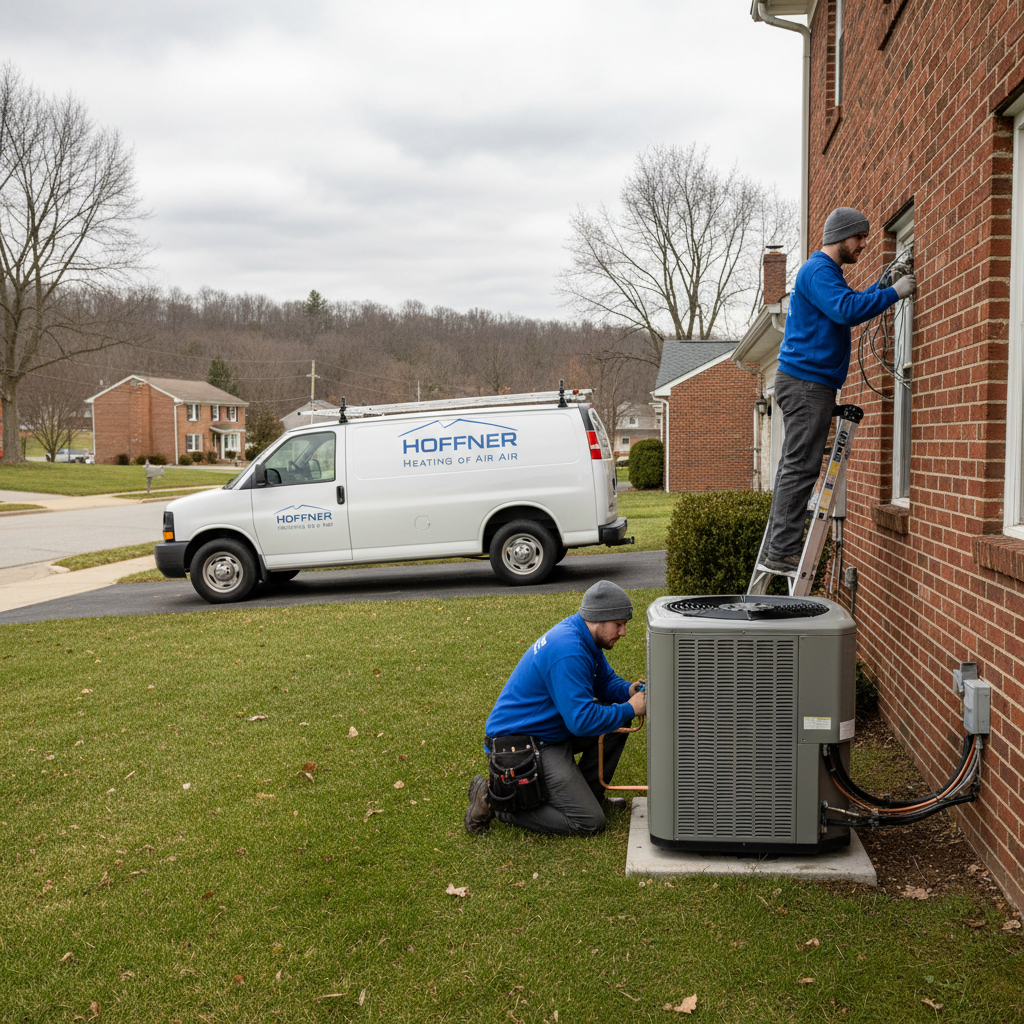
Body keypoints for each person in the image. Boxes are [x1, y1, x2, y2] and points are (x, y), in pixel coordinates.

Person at [762, 207, 917, 573]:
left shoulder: (825, 273)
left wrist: (880, 288)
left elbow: (843, 306)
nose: (864, 243)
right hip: (806, 384)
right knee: (801, 467)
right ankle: (783, 551)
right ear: (842, 236)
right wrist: (894, 292)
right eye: (859, 237)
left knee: (795, 465)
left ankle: (778, 546)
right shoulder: (819, 270)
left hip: (807, 383)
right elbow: (845, 309)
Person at [464, 580, 646, 836]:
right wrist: (630, 708)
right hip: (520, 744)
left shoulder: (583, 636)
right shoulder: (569, 650)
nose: (623, 632)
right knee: (589, 822)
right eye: (619, 624)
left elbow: (603, 682)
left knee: (616, 722)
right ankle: (498, 803)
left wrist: (629, 692)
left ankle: (590, 796)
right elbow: (581, 721)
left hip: (549, 732)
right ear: (598, 619)